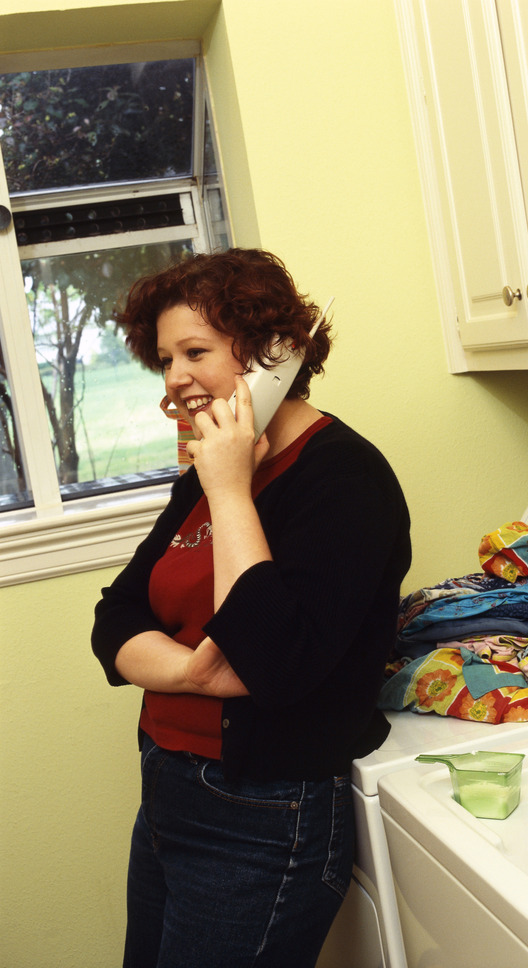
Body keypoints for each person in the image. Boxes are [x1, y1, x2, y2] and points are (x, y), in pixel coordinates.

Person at [91, 248, 412, 968]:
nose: (175, 378)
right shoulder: (207, 465)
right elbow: (115, 618)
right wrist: (193, 675)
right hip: (169, 793)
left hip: (267, 814)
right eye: (165, 358)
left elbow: (275, 663)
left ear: (273, 352)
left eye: (195, 352)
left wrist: (232, 491)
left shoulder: (344, 478)